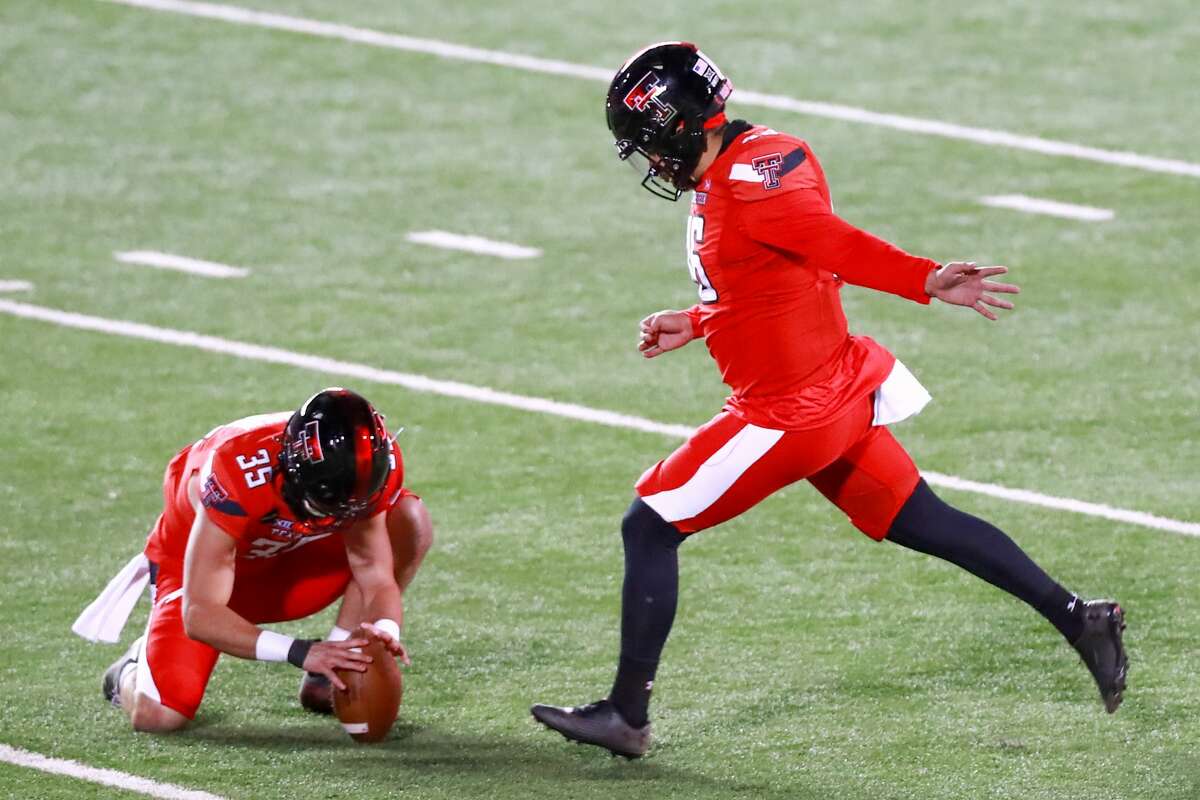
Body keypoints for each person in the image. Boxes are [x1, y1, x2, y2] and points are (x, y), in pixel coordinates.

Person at [531, 42, 1127, 758]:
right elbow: (776, 272)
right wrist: (697, 321)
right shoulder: (755, 157)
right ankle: (1078, 618)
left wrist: (924, 278)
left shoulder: (748, 183)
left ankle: (626, 715)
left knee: (649, 523)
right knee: (926, 519)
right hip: (840, 388)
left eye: (650, 143)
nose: (649, 160)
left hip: (791, 409)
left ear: (683, 126)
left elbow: (827, 241)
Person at [79, 387, 433, 732]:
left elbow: (374, 571)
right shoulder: (235, 469)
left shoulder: (371, 465)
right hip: (205, 579)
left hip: (290, 559)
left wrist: (385, 630)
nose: (342, 518)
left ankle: (336, 669)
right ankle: (132, 666)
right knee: (159, 716)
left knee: (409, 519)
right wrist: (300, 651)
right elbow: (200, 614)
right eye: (328, 506)